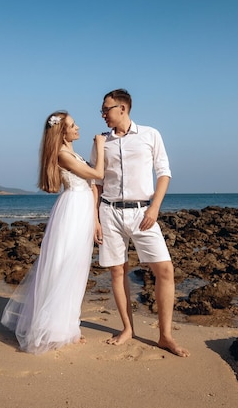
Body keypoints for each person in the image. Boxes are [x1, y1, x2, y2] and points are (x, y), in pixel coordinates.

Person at [90, 89, 189, 357]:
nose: (102, 115)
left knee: (165, 270)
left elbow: (164, 172)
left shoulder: (150, 134)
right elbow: (96, 182)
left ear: (123, 108)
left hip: (143, 213)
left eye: (106, 109)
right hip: (109, 212)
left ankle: (165, 336)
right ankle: (127, 329)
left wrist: (154, 208)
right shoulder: (102, 142)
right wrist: (95, 219)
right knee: (117, 272)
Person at [1, 111, 106, 355]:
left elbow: (91, 187)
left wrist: (96, 219)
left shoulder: (72, 152)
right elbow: (97, 175)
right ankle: (55, 328)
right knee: (64, 267)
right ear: (62, 132)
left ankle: (69, 326)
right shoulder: (62, 154)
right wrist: (100, 147)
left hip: (82, 210)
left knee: (78, 268)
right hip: (71, 211)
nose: (77, 127)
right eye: (72, 125)